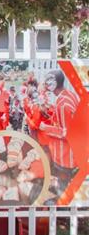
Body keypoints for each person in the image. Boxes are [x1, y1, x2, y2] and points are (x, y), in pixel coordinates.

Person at [38, 69, 80, 202]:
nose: (45, 84)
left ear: (55, 83)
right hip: (70, 153)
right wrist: (49, 112)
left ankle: (60, 204)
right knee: (62, 180)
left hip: (65, 156)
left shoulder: (63, 105)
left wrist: (46, 128)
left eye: (48, 81)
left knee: (63, 183)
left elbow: (68, 133)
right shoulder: (68, 95)